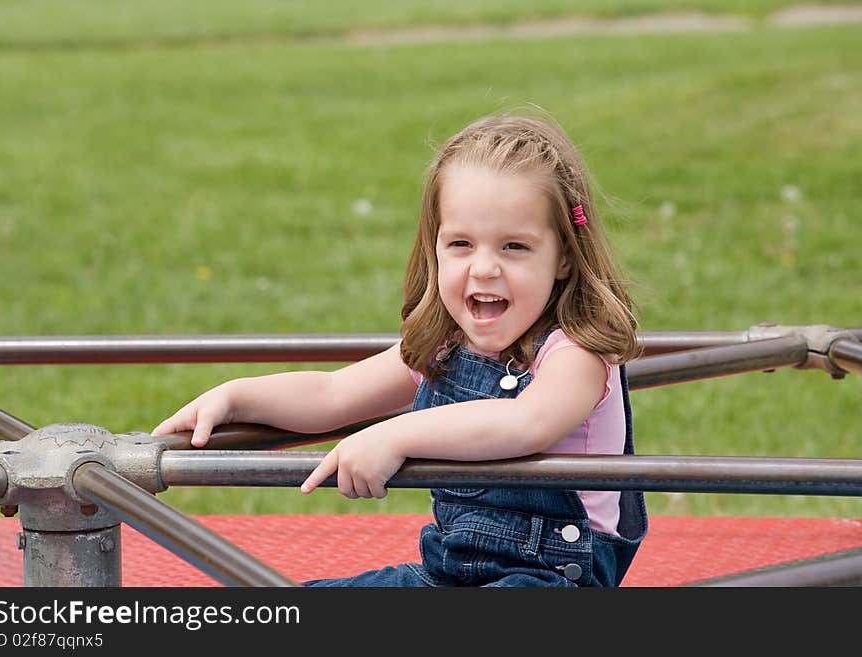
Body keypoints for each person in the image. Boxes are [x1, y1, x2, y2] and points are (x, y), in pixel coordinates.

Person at [152, 112, 648, 587]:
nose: (483, 268)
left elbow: (524, 423)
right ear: (434, 247)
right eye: (460, 244)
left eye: (514, 247)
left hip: (551, 581)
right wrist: (238, 396)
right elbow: (331, 395)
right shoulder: (446, 349)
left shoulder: (575, 355)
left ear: (563, 257)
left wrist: (396, 435)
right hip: (448, 576)